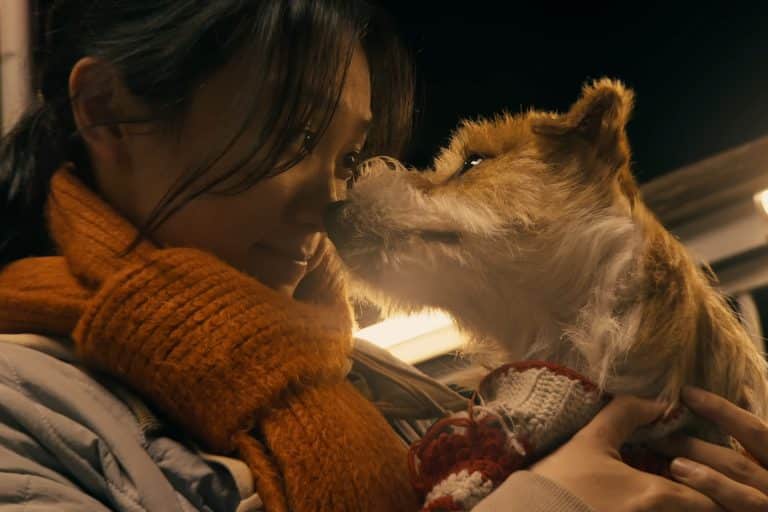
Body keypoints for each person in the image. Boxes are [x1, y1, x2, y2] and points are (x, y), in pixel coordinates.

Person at [0, 1, 766, 511]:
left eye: (346, 157)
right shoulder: (23, 410)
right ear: (108, 112)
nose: (330, 201)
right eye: (292, 137)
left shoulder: (419, 407)